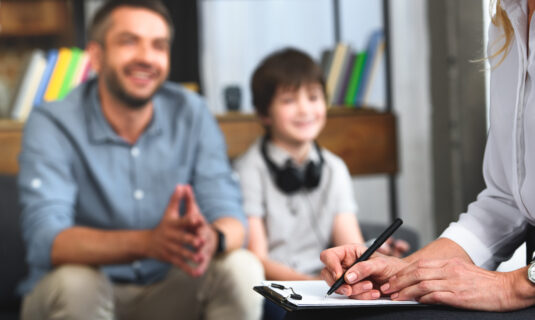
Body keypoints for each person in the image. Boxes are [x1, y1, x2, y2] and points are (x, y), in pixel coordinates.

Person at [17, 1, 264, 319]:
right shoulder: (52, 122)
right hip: (82, 293)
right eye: (129, 41)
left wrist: (211, 238)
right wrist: (149, 242)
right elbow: (46, 239)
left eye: (159, 46)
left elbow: (231, 219)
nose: (147, 58)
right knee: (78, 283)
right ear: (96, 55)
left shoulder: (192, 112)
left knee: (241, 267)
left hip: (169, 289)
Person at [320, 0, 535, 312]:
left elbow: (514, 286)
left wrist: (513, 286)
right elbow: (506, 200)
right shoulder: (507, 25)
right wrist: (407, 273)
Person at [233, 48, 408, 282]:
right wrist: (315, 286)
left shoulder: (334, 168)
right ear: (264, 113)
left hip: (324, 283)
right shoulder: (249, 169)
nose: (305, 110)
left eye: (314, 98)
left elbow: (350, 245)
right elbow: (257, 261)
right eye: (289, 100)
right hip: (274, 289)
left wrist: (374, 260)